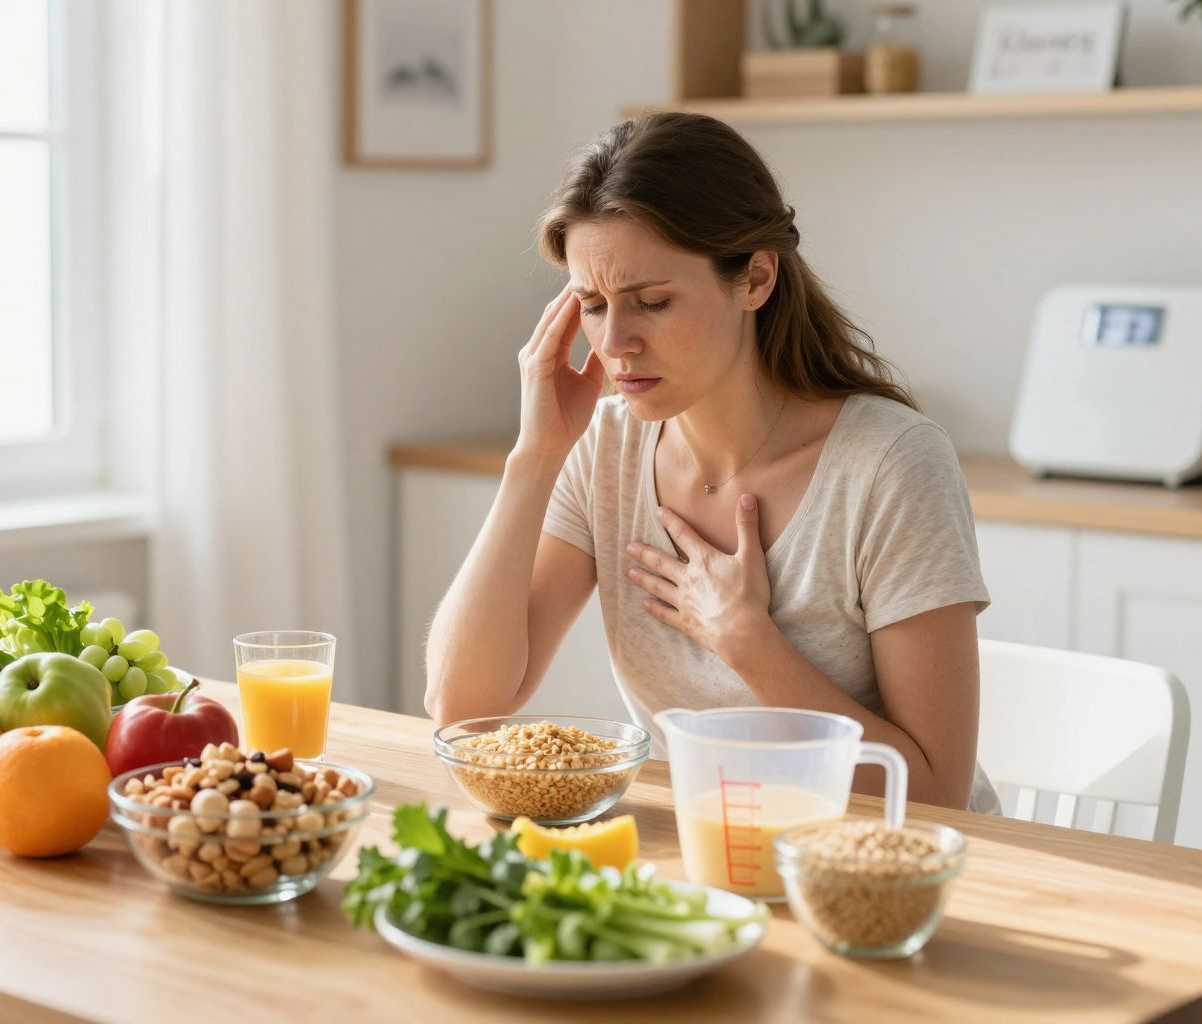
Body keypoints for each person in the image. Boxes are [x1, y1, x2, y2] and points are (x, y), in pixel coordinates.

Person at [424, 112, 998, 813]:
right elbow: (462, 705)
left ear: (755, 278)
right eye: (593, 306)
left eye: (653, 302)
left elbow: (934, 790)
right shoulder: (605, 447)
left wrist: (745, 638)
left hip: (875, 870)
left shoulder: (891, 466)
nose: (617, 343)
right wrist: (535, 457)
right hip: (710, 851)